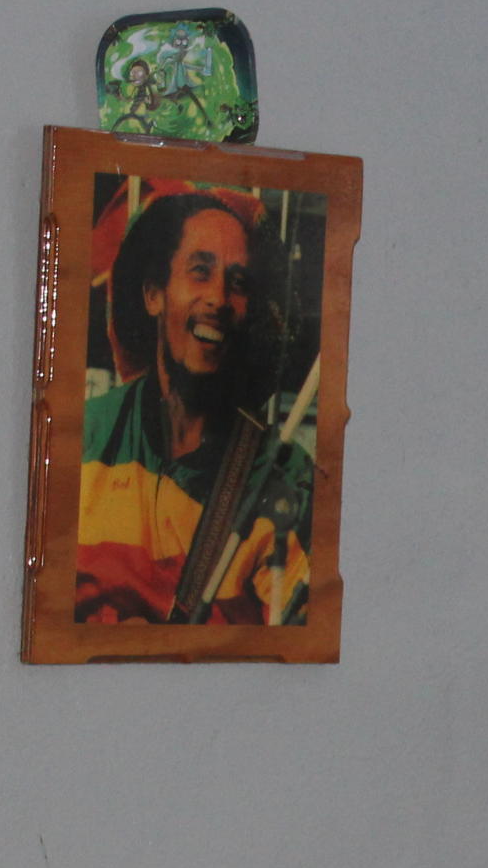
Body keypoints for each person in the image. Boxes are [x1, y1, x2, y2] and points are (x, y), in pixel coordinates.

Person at [75, 189, 315, 625]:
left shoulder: (282, 480)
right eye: (200, 272)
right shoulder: (83, 439)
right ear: (154, 294)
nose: (219, 299)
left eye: (238, 283)